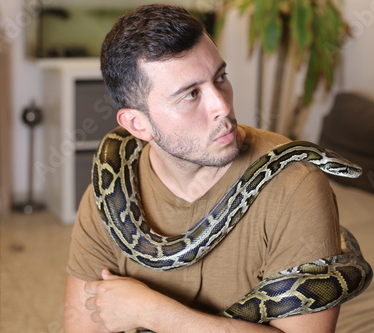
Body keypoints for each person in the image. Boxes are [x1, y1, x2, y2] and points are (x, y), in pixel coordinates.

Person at [63, 4, 342, 333]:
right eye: (191, 94)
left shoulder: (296, 185)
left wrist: (153, 313)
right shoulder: (107, 194)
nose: (222, 106)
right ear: (137, 124)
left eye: (220, 77)